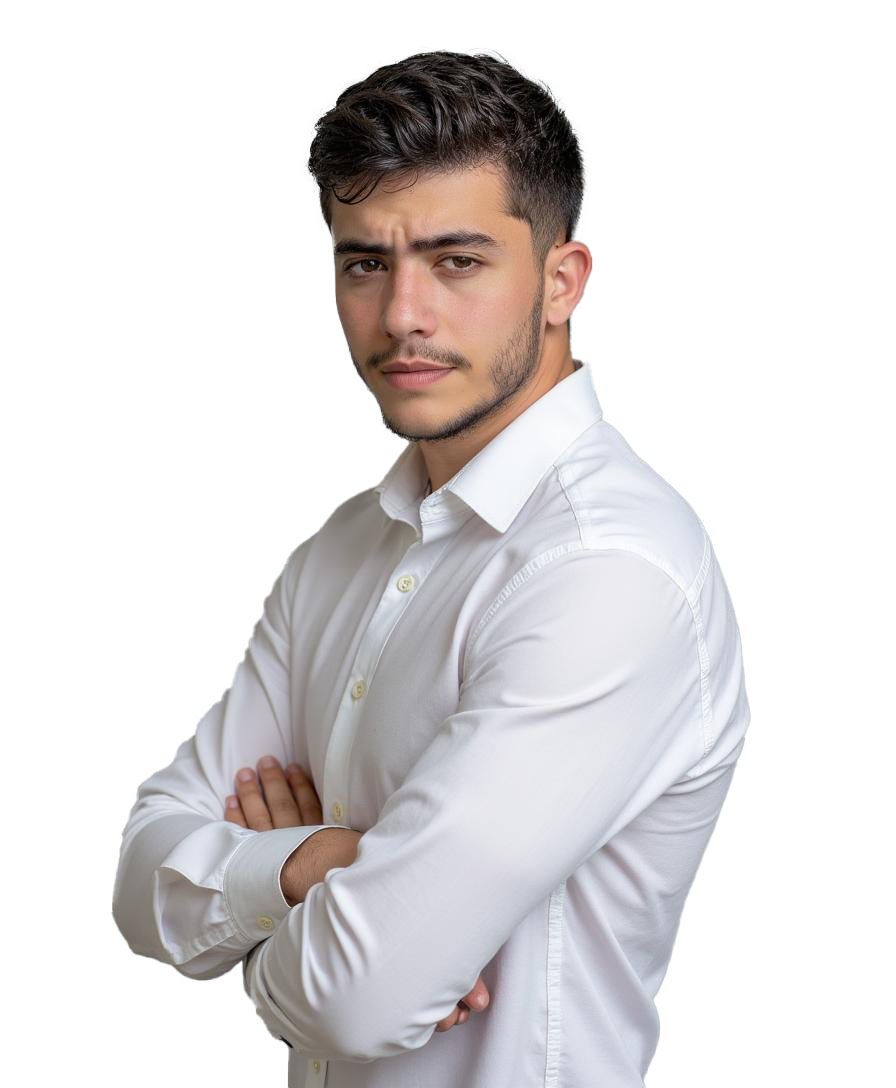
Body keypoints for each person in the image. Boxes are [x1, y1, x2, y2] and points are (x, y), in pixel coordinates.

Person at [112, 48, 750, 1088]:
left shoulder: (608, 570)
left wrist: (262, 921)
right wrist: (309, 868)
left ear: (560, 281)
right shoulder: (343, 550)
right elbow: (141, 872)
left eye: (456, 261)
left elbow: (355, 996)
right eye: (365, 263)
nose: (403, 313)